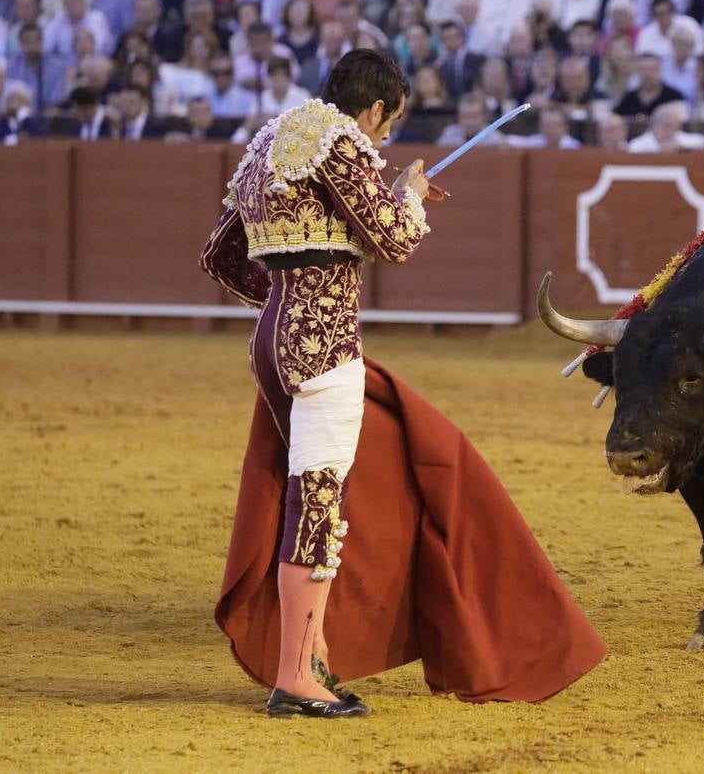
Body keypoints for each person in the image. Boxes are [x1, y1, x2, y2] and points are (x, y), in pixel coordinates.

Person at [200, 49, 605, 717]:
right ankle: (296, 676)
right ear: (378, 107)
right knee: (318, 501)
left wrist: (295, 283)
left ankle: (315, 656)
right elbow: (391, 239)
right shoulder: (341, 138)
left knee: (312, 494)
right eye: (387, 126)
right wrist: (406, 198)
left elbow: (223, 253)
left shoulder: (274, 137)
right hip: (324, 344)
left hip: (273, 340)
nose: (382, 141)